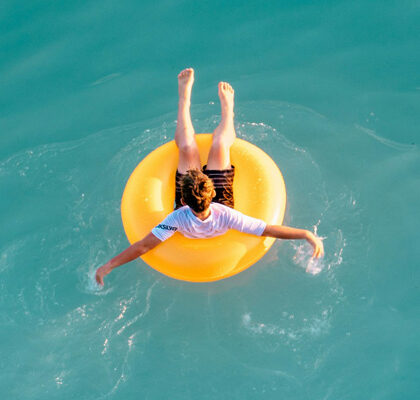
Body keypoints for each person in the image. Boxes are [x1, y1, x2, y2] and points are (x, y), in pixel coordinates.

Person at [95, 68, 324, 286]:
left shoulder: (176, 219)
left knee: (187, 147)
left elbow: (143, 246)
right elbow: (268, 229)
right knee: (219, 145)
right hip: (222, 201)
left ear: (182, 201)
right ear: (212, 190)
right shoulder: (227, 214)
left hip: (202, 202)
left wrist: (109, 265)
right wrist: (305, 234)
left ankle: (184, 99)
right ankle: (228, 110)